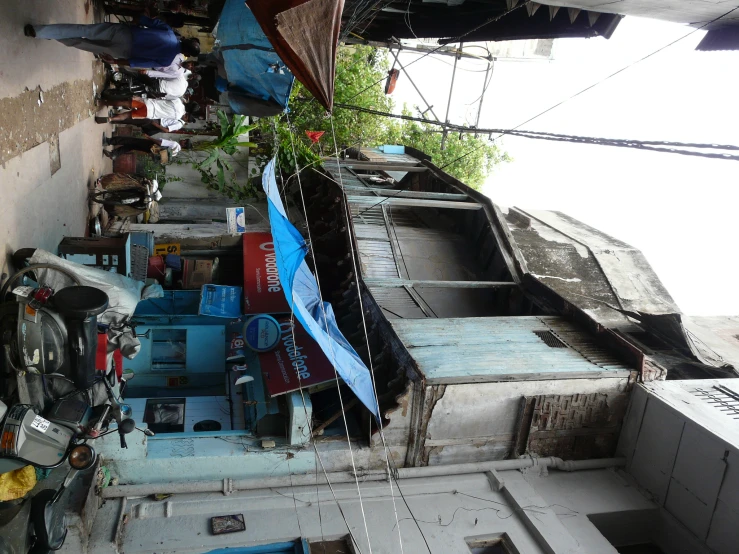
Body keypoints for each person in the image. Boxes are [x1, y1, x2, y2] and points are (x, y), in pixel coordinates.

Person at [24, 17, 200, 68]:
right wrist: (114, 61)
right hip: (123, 53)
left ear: (187, 39)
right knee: (81, 44)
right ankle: (50, 34)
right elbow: (137, 63)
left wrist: (133, 20)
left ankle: (42, 31)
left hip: (124, 33)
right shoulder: (167, 60)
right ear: (188, 54)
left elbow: (144, 19)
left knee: (85, 31)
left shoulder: (168, 31)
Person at [102, 135, 189, 160]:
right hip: (151, 152)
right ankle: (113, 154)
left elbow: (161, 142)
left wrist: (149, 137)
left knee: (130, 140)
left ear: (184, 144)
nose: (183, 140)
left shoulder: (175, 144)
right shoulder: (175, 153)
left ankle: (109, 141)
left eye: (185, 141)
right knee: (131, 146)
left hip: (151, 145)